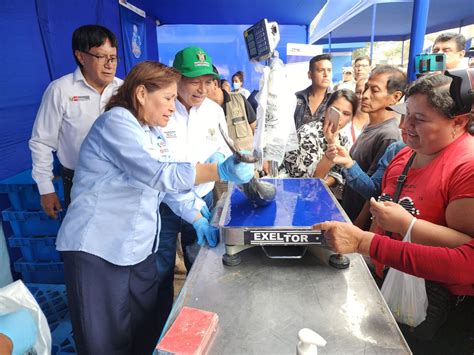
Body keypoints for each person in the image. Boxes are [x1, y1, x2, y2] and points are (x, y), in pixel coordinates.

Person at [55, 61, 254, 354]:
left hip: (138, 249)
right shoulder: (117, 123)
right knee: (105, 341)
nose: (173, 107)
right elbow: (158, 173)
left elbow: (168, 184)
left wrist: (197, 216)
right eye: (168, 98)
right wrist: (218, 171)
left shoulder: (153, 133)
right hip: (98, 249)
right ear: (140, 94)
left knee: (149, 327)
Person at [156, 47, 231, 334]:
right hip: (163, 202)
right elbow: (160, 169)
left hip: (201, 199)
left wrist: (220, 160)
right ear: (175, 78)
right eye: (193, 80)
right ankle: (161, 326)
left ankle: (198, 322)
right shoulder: (161, 108)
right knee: (160, 267)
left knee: (200, 262)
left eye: (208, 81)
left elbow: (223, 150)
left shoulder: (213, 110)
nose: (202, 88)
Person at [29, 25, 123, 217]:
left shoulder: (123, 89)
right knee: (84, 241)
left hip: (120, 179)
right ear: (81, 57)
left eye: (113, 58)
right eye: (101, 57)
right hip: (79, 181)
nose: (109, 64)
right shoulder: (61, 90)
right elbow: (42, 142)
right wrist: (46, 189)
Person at [341, 65, 406, 221]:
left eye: (375, 90)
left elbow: (375, 192)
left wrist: (358, 227)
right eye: (366, 88)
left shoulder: (389, 135)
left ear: (395, 97)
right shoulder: (369, 126)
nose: (365, 95)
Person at [280, 89, 357, 199]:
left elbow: (340, 173)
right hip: (295, 196)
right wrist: (329, 154)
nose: (340, 117)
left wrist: (326, 183)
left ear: (351, 118)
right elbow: (308, 182)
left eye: (346, 114)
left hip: (323, 198)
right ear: (326, 110)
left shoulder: (344, 139)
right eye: (336, 111)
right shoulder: (307, 133)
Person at [326, 102, 407, 200]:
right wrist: (348, 163)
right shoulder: (395, 149)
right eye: (404, 117)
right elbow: (375, 191)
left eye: (418, 119)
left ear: (396, 97)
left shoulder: (389, 136)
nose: (402, 125)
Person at [208, 65, 257, 200]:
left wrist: (262, 159)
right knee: (224, 214)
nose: (199, 90)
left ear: (215, 84)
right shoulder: (200, 112)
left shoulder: (240, 100)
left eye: (204, 83)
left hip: (247, 173)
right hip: (220, 178)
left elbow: (255, 129)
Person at [294, 54, 333, 130]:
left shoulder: (336, 100)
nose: (326, 74)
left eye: (329, 70)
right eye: (321, 70)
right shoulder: (297, 98)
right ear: (310, 75)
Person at [340, 78, 370, 148]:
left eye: (365, 92)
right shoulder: (344, 121)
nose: (361, 96)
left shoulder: (377, 126)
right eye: (358, 92)